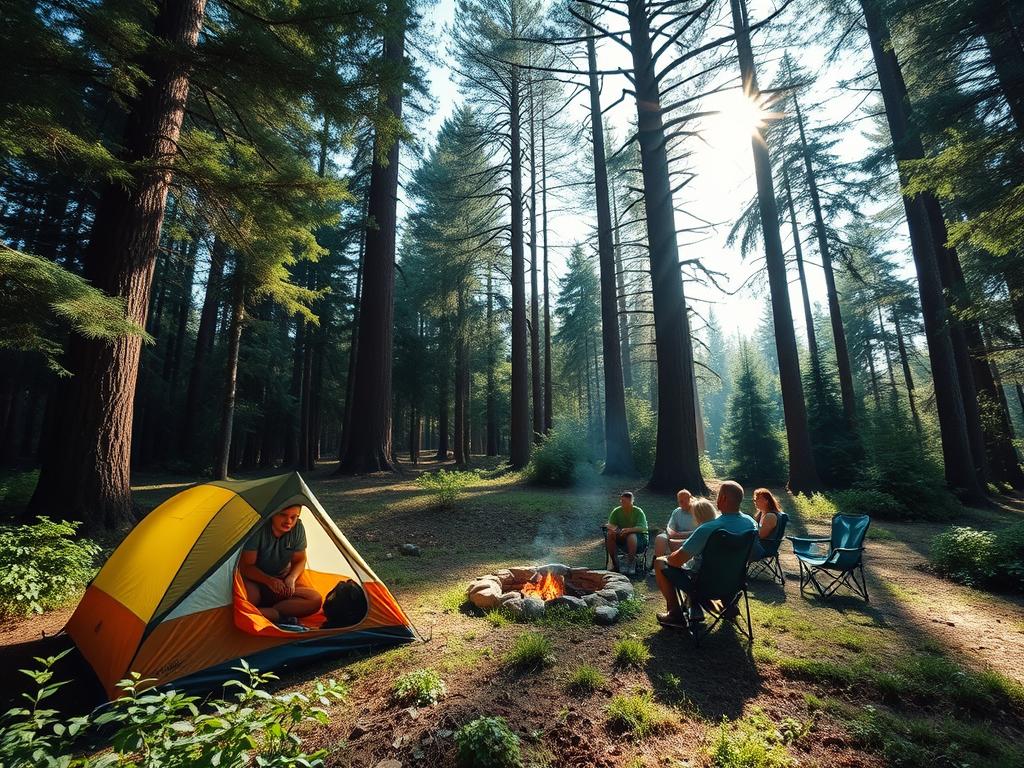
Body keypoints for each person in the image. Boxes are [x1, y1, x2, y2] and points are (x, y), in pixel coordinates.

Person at [654, 480, 757, 627]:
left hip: (705, 587)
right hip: (735, 584)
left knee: (659, 562)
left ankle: (675, 614)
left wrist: (668, 557)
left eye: (718, 495)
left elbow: (676, 561)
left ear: (723, 499)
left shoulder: (709, 528)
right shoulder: (751, 524)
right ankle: (728, 605)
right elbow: (754, 554)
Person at [240, 505, 322, 629]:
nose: (288, 521)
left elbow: (300, 559)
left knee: (315, 599)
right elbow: (247, 567)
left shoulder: (298, 528)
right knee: (248, 601)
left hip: (282, 580)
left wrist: (291, 578)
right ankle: (275, 616)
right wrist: (269, 581)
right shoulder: (259, 529)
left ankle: (273, 614)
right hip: (256, 580)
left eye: (294, 517)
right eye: (283, 515)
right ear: (273, 513)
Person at [606, 491, 649, 575]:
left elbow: (643, 527)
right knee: (610, 534)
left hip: (639, 539)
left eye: (624, 501)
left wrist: (629, 530)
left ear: (631, 501)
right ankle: (615, 563)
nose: (622, 503)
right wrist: (617, 530)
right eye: (621, 501)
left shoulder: (638, 511)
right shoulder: (617, 511)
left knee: (631, 536)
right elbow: (610, 525)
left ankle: (631, 563)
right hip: (621, 537)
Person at [653, 489, 694, 565]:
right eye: (679, 501)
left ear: (690, 499)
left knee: (677, 543)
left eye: (682, 501)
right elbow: (670, 526)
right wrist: (671, 532)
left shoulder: (697, 512)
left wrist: (680, 535)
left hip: (690, 537)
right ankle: (659, 565)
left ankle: (680, 565)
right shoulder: (677, 511)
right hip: (676, 535)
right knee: (660, 538)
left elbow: (699, 531)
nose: (680, 504)